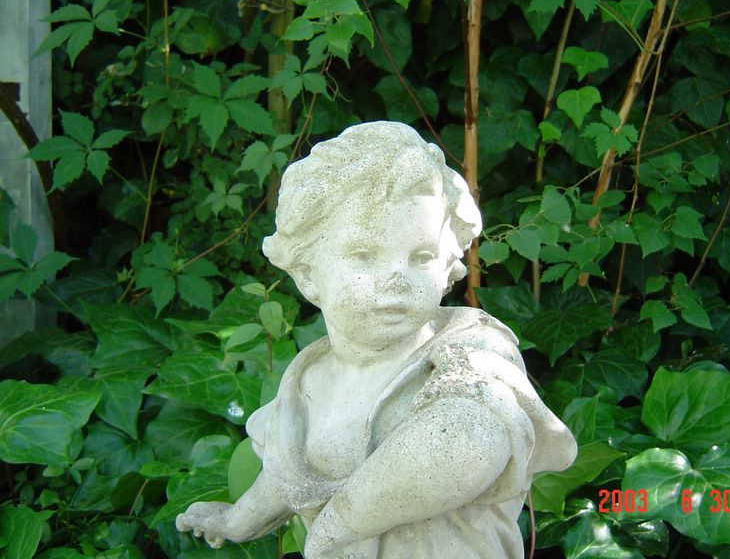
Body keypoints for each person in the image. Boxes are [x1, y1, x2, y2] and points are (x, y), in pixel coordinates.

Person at [176, 121, 577, 558]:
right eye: (364, 256)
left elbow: (470, 439)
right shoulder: (308, 380)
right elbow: (288, 472)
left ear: (448, 268)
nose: (396, 279)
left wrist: (337, 526)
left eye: (421, 257)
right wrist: (238, 520)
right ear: (307, 274)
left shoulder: (469, 354)